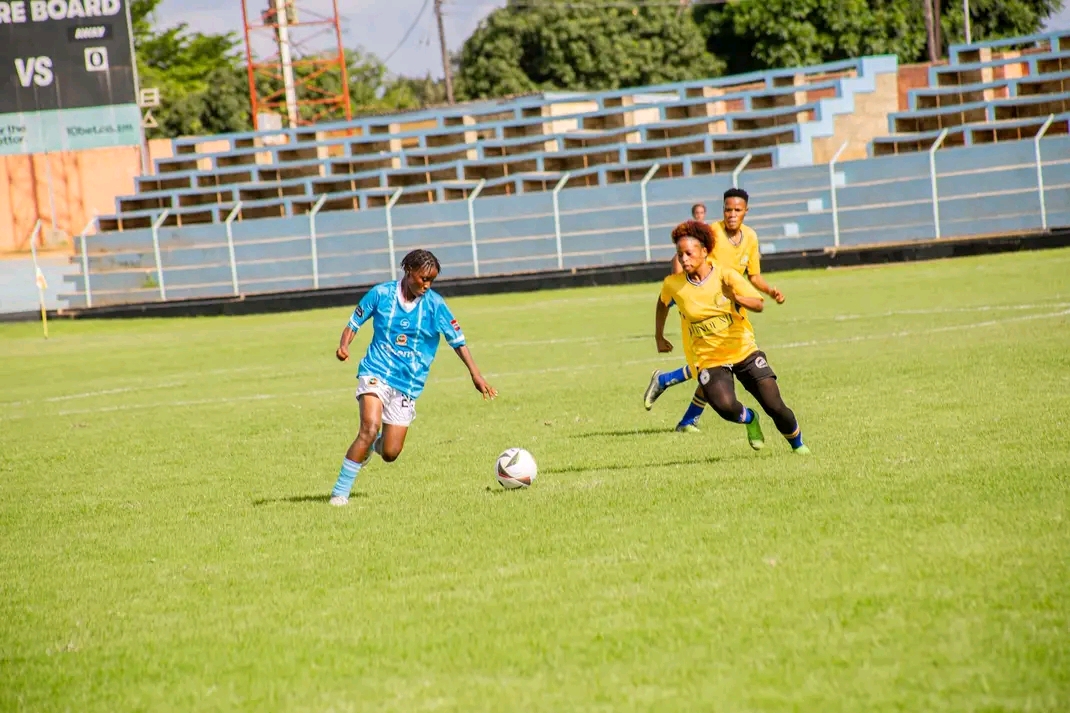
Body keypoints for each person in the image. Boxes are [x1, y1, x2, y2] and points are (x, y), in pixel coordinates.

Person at [330, 249, 497, 506]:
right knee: (369, 426)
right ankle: (340, 494)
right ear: (408, 272)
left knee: (390, 452)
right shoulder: (381, 294)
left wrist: (476, 374)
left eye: (431, 280)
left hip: (407, 382)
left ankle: (372, 445)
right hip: (376, 370)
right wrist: (344, 346)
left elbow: (458, 342)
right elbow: (354, 323)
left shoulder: (435, 305)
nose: (427, 285)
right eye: (423, 279)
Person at [652, 220, 809, 454]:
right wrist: (659, 336)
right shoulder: (673, 284)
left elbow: (758, 304)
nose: (683, 259)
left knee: (775, 405)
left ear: (704, 251)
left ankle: (798, 446)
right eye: (679, 254)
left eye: (688, 253)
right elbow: (662, 304)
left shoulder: (726, 276)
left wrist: (734, 296)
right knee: (725, 407)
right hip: (710, 359)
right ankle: (750, 419)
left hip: (743, 351)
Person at [646, 188, 785, 432]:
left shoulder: (750, 237)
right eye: (727, 209)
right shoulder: (712, 233)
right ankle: (670, 388)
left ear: (746, 212)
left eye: (737, 210)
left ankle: (681, 407)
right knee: (710, 365)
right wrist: (682, 286)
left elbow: (753, 275)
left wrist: (769, 291)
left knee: (724, 364)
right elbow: (683, 254)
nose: (731, 214)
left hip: (731, 305)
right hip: (700, 308)